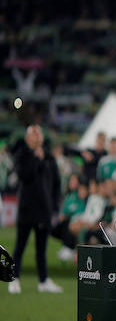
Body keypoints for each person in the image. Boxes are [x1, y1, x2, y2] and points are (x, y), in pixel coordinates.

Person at [8, 125, 63, 294]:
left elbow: (56, 183)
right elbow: (26, 175)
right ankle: (14, 279)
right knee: (20, 246)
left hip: (44, 209)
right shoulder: (22, 154)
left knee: (42, 249)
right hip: (27, 209)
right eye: (33, 133)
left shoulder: (49, 156)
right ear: (27, 138)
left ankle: (43, 281)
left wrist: (55, 206)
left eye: (38, 133)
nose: (36, 136)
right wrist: (36, 159)